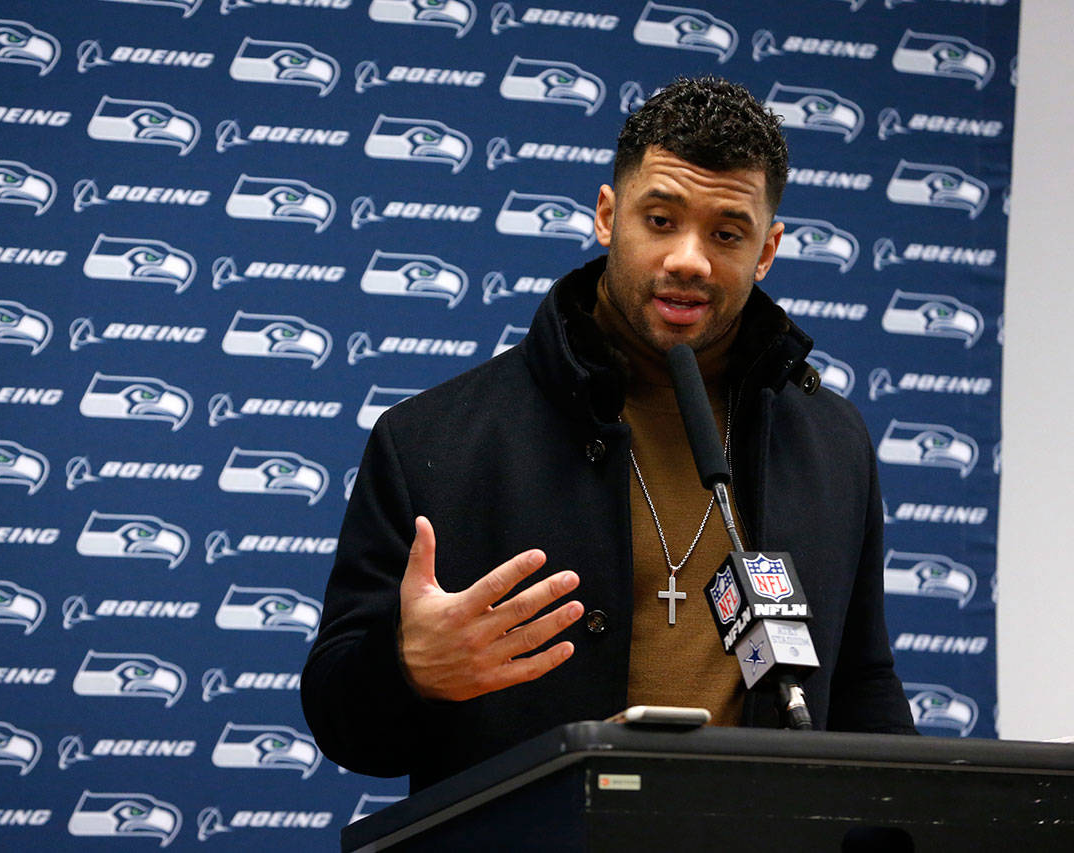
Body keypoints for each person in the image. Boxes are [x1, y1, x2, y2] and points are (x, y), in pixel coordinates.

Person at [301, 75, 916, 793]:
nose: (689, 258)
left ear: (768, 249)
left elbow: (863, 681)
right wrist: (409, 669)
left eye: (726, 233)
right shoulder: (430, 439)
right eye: (660, 219)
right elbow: (343, 720)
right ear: (607, 214)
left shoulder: (832, 444)